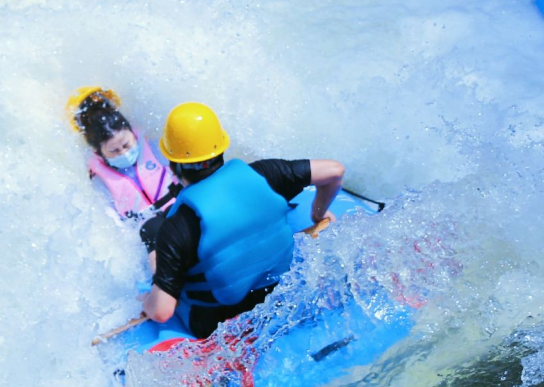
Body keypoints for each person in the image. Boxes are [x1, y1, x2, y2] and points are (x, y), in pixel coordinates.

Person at [139, 102, 345, 339]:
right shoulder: (267, 173)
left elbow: (162, 312)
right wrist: (318, 213)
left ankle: (159, 275)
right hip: (279, 293)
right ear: (221, 148)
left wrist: (148, 302)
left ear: (173, 167)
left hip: (217, 322)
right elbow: (334, 171)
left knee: (152, 231)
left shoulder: (176, 227)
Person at [66, 87, 182, 268]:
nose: (124, 152)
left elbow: (181, 173)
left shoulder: (153, 146)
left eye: (127, 144)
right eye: (114, 151)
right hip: (149, 236)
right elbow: (111, 218)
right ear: (99, 153)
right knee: (152, 231)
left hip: (177, 212)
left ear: (132, 133)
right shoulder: (99, 179)